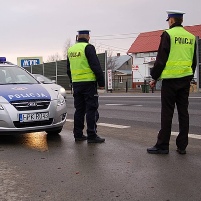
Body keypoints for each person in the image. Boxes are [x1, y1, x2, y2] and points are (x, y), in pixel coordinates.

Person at [147, 10, 197, 154]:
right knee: (183, 112)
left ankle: (163, 146)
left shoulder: (168, 34)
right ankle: (182, 146)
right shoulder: (191, 37)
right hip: (185, 80)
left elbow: (161, 59)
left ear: (171, 20)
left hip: (170, 81)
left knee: (167, 113)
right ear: (181, 21)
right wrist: (188, 76)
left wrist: (154, 77)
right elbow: (193, 61)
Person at [67, 30, 105, 143]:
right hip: (89, 83)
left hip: (76, 84)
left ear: (78, 37)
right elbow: (95, 66)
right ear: (88, 37)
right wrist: (101, 82)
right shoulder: (88, 47)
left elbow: (68, 70)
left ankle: (78, 134)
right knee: (91, 109)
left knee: (79, 110)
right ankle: (92, 135)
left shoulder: (71, 50)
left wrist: (72, 81)